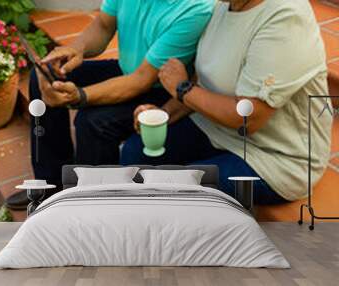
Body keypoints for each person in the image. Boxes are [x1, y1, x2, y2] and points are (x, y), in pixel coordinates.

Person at [6, 0, 214, 209]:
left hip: (162, 91)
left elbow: (142, 79)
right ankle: (50, 186)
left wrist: (79, 96)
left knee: (95, 122)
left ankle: (92, 207)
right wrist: (75, 49)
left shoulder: (195, 8)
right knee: (43, 76)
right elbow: (103, 25)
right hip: (128, 70)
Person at [120, 0, 333, 204]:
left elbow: (247, 118)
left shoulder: (285, 18)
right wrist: (163, 114)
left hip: (274, 157)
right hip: (216, 129)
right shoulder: (223, 7)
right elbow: (203, 80)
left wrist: (182, 89)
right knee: (134, 152)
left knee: (179, 189)